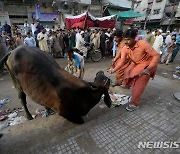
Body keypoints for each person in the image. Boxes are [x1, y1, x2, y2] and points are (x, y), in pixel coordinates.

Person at [109, 29, 160, 111]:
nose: (126, 42)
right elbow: (122, 61)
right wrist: (114, 69)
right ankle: (129, 84)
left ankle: (134, 103)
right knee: (127, 72)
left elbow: (156, 55)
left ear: (134, 38)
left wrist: (149, 68)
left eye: (128, 39)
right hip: (135, 64)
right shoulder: (125, 48)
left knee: (138, 85)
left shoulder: (143, 44)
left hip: (146, 65)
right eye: (125, 39)